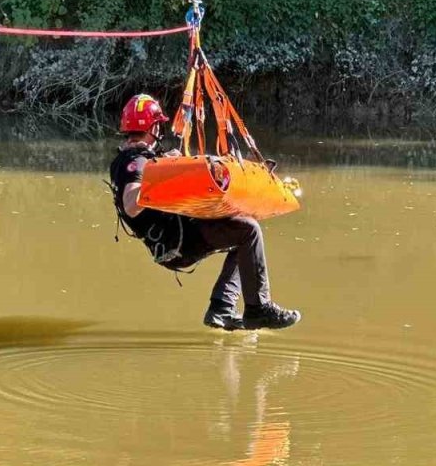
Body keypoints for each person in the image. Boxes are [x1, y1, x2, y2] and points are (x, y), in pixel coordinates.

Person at [107, 94, 301, 331]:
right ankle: (258, 309)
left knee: (244, 232)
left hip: (177, 238)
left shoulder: (137, 158)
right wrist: (161, 171)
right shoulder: (135, 162)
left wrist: (164, 165)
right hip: (179, 243)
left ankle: (221, 310)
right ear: (153, 126)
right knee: (248, 232)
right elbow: (131, 204)